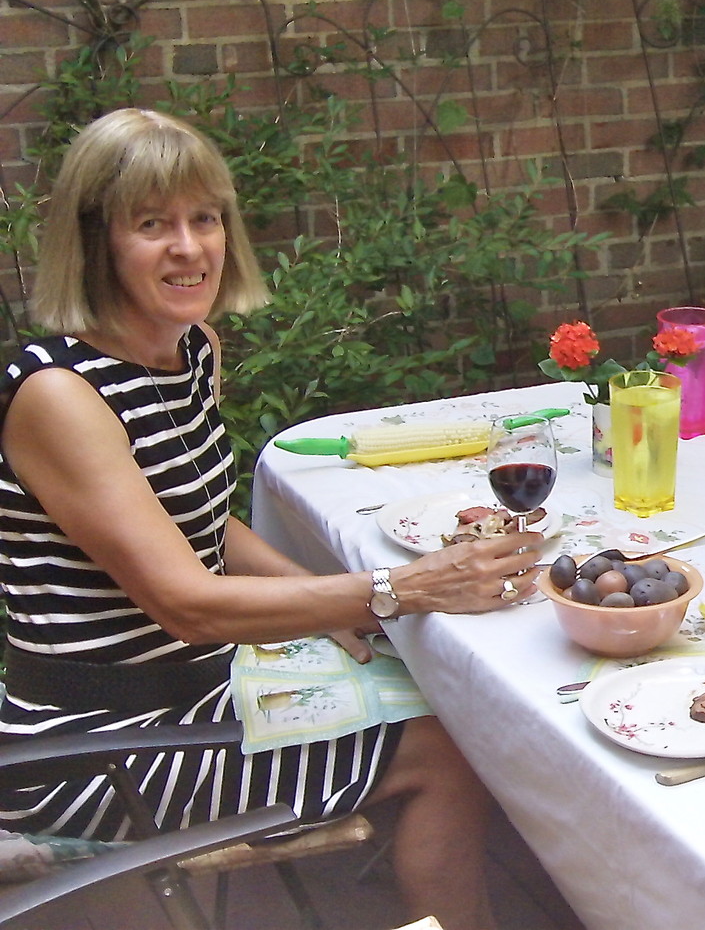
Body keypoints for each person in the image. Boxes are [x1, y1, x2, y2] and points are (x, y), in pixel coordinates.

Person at [0, 108, 537, 930]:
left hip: (199, 688)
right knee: (448, 750)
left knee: (449, 695)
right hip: (98, 743)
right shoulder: (59, 396)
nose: (190, 247)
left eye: (204, 218)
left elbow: (206, 522)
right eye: (153, 224)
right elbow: (189, 602)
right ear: (96, 240)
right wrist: (395, 589)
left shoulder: (191, 345)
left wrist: (338, 603)